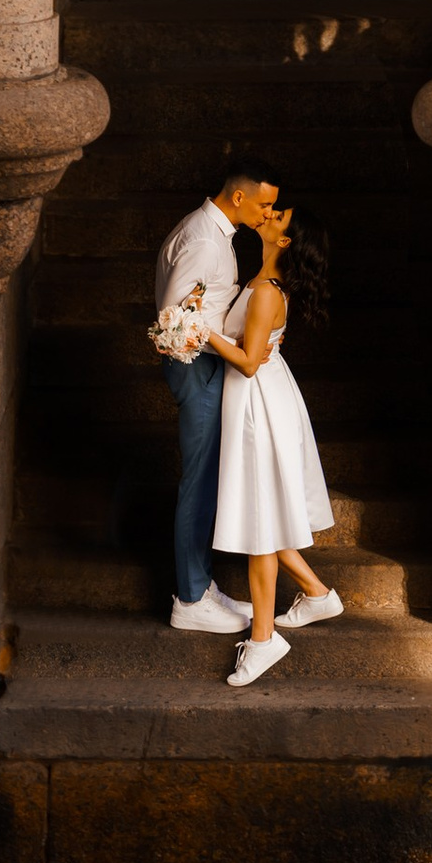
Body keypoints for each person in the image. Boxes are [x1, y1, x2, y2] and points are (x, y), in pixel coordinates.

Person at [206, 204, 342, 689]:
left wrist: (200, 330)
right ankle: (316, 593)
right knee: (264, 512)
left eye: (279, 216)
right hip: (260, 396)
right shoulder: (261, 282)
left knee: (260, 523)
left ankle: (263, 640)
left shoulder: (266, 291)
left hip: (259, 403)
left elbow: (247, 362)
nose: (270, 213)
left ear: (284, 241)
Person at [153, 162, 279, 633]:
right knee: (201, 481)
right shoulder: (205, 240)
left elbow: (202, 309)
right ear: (239, 197)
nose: (269, 214)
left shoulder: (212, 232)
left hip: (206, 363)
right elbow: (174, 320)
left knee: (207, 478)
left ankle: (201, 585)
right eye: (265, 204)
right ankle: (189, 599)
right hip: (196, 367)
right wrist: (239, 349)